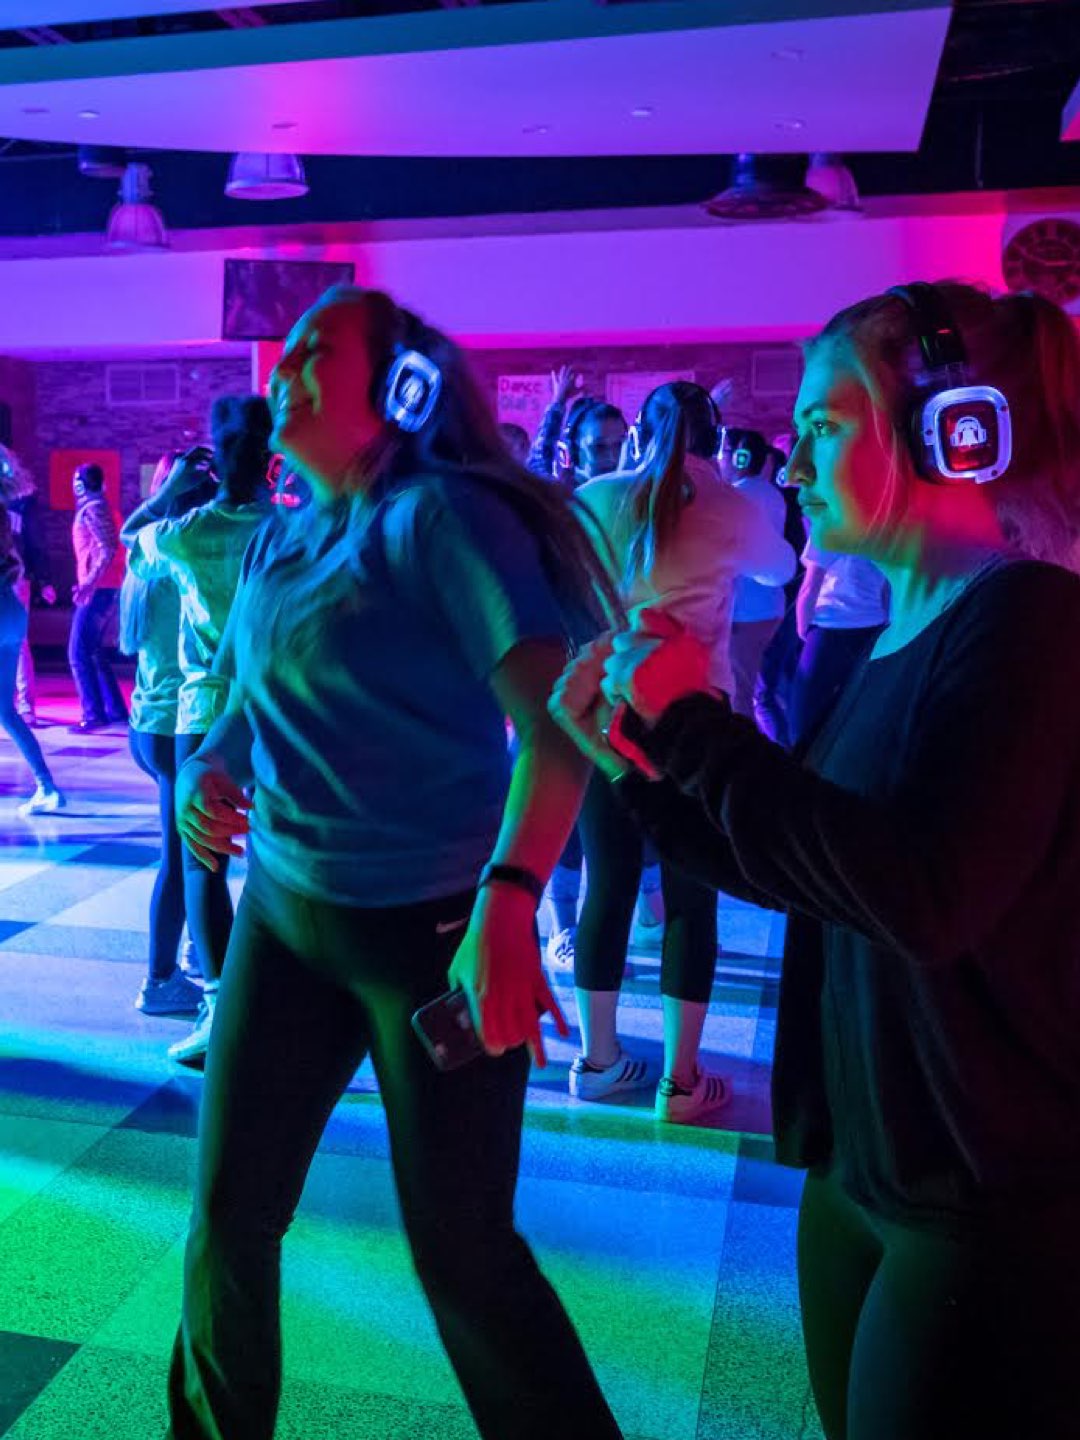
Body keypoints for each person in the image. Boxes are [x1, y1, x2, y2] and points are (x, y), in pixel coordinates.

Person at [551, 281, 1080, 1440]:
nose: (790, 462)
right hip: (863, 1163)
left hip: (979, 1193)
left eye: (824, 425)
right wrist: (636, 762)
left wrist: (693, 728)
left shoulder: (1031, 621)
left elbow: (929, 894)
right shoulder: (897, 630)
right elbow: (816, 874)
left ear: (955, 424)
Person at [165, 286, 623, 1440]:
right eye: (290, 353)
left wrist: (511, 904)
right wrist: (208, 767)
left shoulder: (439, 521)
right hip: (286, 919)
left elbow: (561, 727)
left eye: (319, 355)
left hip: (431, 941)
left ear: (401, 390)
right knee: (229, 1221)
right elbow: (249, 699)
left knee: (462, 1256)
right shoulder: (286, 527)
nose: (284, 371)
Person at [569, 381, 794, 1123]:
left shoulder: (599, 496)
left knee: (609, 883)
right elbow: (780, 572)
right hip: (696, 721)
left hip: (611, 712)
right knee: (692, 899)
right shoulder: (730, 505)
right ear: (716, 433)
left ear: (638, 433)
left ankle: (599, 1063)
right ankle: (682, 1082)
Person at [122, 398, 271, 1068]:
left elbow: (132, 539)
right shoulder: (290, 532)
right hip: (271, 712)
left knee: (201, 865)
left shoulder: (183, 532)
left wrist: (175, 485)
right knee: (278, 861)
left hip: (199, 717)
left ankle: (219, 1010)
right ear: (273, 460)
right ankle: (281, 1006)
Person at [121, 453, 216, 1019]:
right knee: (183, 860)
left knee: (188, 853)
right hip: (174, 724)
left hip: (147, 723)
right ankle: (159, 980)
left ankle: (192, 953)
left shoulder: (148, 559)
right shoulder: (182, 557)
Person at [787, 542, 889, 746]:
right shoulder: (882, 523)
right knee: (854, 709)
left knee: (801, 715)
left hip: (830, 626)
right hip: (871, 628)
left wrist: (802, 628)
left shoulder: (831, 521)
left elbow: (811, 584)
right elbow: (887, 583)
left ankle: (800, 766)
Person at [720, 427, 791, 718]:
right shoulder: (772, 494)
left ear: (741, 458)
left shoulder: (734, 497)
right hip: (772, 606)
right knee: (765, 694)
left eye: (724, 453)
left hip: (744, 613)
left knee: (740, 695)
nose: (720, 460)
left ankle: (748, 759)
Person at [0, 501, 64, 816]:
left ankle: (47, 786)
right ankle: (46, 786)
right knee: (6, 712)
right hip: (11, 612)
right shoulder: (8, 517)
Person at [68, 462, 126, 733]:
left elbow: (108, 547)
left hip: (99, 589)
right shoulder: (102, 507)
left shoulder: (93, 509)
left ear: (80, 483)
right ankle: (114, 710)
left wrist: (89, 583)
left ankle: (93, 714)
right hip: (105, 587)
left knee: (78, 652)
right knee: (93, 651)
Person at [0, 445, 56, 728]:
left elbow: (35, 541)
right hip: (14, 575)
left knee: (18, 642)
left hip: (13, 575)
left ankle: (23, 705)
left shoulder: (21, 500)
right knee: (16, 642)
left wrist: (44, 579)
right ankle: (14, 705)